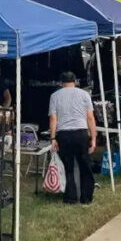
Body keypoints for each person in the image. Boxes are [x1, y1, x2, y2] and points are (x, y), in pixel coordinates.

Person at [49, 71, 97, 204]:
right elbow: (90, 118)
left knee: (68, 166)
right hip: (81, 132)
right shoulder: (84, 94)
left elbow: (54, 118)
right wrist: (93, 138)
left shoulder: (55, 96)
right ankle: (86, 196)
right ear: (75, 81)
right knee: (85, 165)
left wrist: (53, 138)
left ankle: (70, 197)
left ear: (61, 83)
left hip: (64, 133)